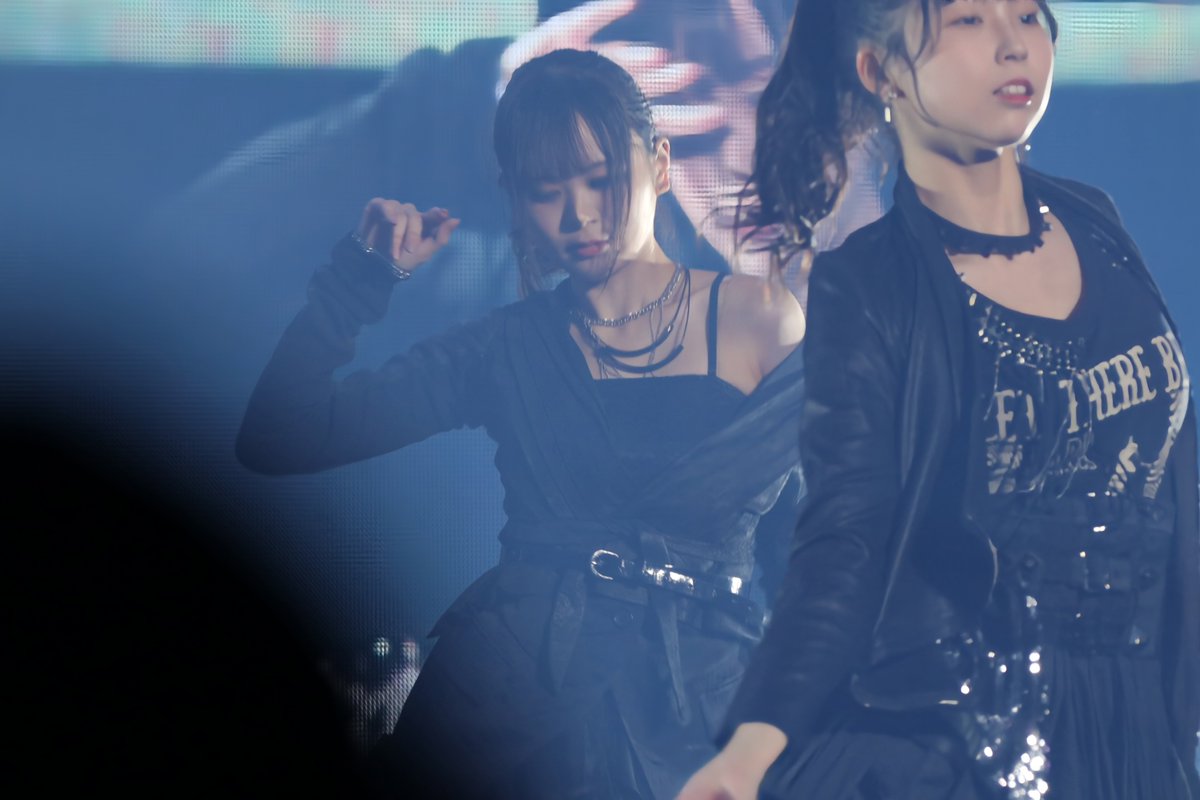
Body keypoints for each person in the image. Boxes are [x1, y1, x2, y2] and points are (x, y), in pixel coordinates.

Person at [235, 47, 806, 799]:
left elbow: (815, 548)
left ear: (661, 165)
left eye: (602, 179)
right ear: (516, 203)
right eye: (546, 191)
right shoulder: (500, 349)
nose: (580, 215)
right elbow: (282, 434)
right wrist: (359, 280)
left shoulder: (761, 320)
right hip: (514, 700)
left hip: (697, 711)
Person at [678, 1, 1199, 799]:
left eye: (1027, 14)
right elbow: (848, 536)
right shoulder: (871, 284)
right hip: (972, 737)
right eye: (968, 21)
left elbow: (1177, 475)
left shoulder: (1095, 219)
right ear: (882, 71)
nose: (1012, 43)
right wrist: (754, 743)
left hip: (1136, 723)